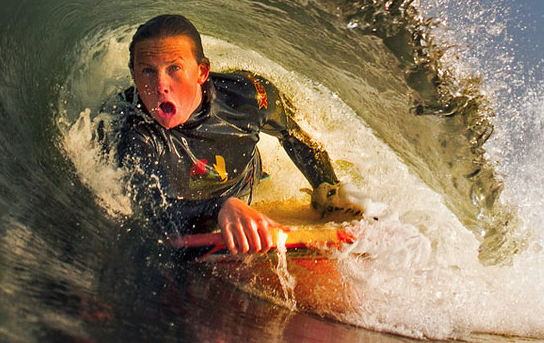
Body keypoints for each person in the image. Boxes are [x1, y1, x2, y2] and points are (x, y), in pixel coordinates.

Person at [95, 14, 359, 254]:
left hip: (247, 182)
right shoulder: (127, 127)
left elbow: (296, 136)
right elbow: (151, 209)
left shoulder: (248, 97)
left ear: (202, 72)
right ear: (134, 75)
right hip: (202, 210)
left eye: (174, 68)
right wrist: (220, 207)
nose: (161, 86)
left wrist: (327, 192)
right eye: (147, 71)